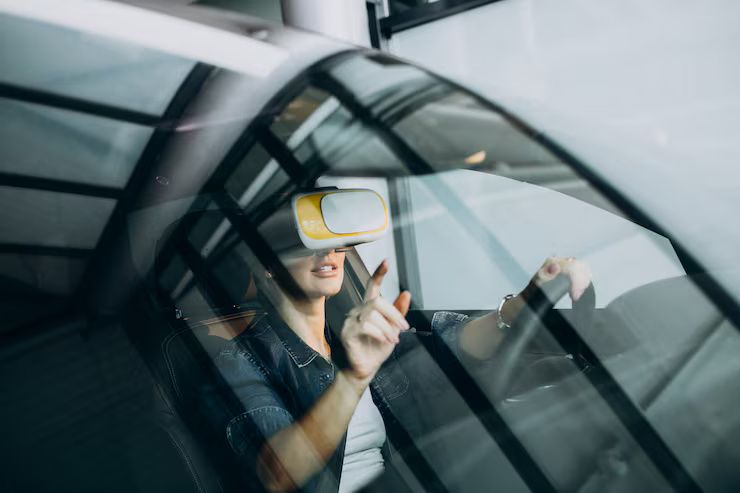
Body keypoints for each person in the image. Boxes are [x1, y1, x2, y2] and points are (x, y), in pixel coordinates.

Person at [214, 237, 592, 493]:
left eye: (333, 238)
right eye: (306, 241)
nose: (326, 250)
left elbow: (453, 349)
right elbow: (279, 475)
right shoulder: (241, 361)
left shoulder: (354, 339)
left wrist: (523, 301)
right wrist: (354, 378)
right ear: (268, 264)